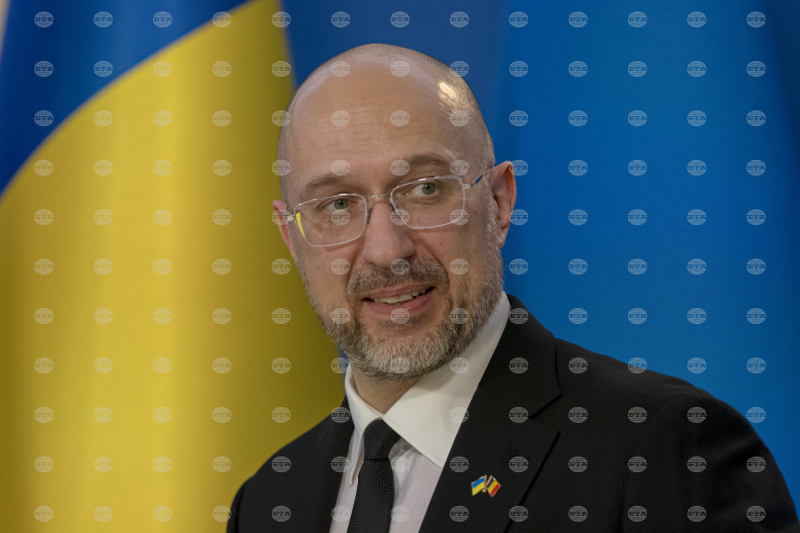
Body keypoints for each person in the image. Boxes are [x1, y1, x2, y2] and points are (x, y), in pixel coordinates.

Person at [226, 43, 800, 532]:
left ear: (499, 203)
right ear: (291, 236)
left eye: (426, 189)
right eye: (337, 205)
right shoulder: (269, 501)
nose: (386, 250)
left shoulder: (662, 452)